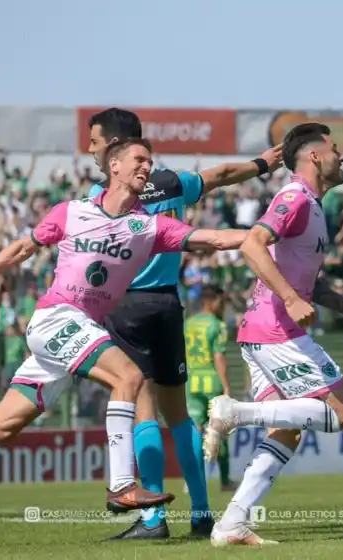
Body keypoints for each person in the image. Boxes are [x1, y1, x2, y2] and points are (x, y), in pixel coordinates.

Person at [0, 138, 249, 541]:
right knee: (128, 376)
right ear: (114, 166)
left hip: (76, 333)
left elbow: (214, 238)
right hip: (55, 321)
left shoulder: (149, 225)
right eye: (139, 160)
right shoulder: (71, 212)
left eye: (150, 162)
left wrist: (265, 232)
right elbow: (21, 249)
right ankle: (122, 485)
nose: (146, 166)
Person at [85, 108, 282, 539]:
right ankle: (201, 512)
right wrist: (263, 164)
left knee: (142, 411)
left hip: (126, 307)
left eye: (96, 141)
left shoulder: (106, 193)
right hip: (168, 304)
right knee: (179, 416)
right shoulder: (171, 182)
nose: (91, 148)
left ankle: (153, 519)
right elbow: (222, 174)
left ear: (116, 146)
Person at [203, 123, 343, 546]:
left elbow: (315, 287)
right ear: (314, 157)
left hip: (261, 331)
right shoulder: (294, 198)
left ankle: (232, 524)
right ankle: (236, 414)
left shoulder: (313, 205)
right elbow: (253, 243)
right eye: (335, 150)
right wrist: (290, 299)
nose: (342, 157)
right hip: (277, 331)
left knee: (286, 431)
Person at [184, 285, 236, 492]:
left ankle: (191, 481)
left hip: (192, 380)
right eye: (221, 302)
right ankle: (225, 481)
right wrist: (226, 387)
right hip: (211, 380)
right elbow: (219, 356)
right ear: (212, 301)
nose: (222, 306)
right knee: (219, 431)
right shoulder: (218, 325)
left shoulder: (189, 323)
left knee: (195, 432)